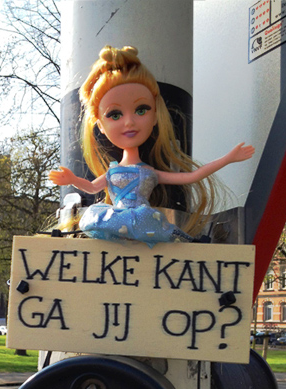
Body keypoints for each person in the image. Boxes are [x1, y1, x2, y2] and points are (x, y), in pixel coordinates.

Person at [49, 45, 255, 247]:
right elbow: (92, 187)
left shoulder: (150, 172)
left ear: (155, 115)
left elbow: (191, 177)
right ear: (100, 125)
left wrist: (228, 158)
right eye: (115, 115)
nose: (129, 122)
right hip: (115, 218)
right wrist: (72, 180)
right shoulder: (112, 172)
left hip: (144, 219)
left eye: (141, 110)